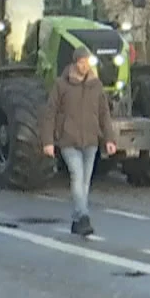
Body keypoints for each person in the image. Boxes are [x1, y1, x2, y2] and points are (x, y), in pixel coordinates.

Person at [39, 45, 118, 238]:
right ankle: (83, 217)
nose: (84, 66)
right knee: (77, 176)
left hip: (90, 140)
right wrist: (48, 141)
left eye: (87, 62)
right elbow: (49, 113)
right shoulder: (61, 85)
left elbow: (104, 114)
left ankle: (76, 220)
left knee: (85, 182)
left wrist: (109, 139)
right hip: (68, 139)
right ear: (75, 63)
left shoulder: (96, 85)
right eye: (81, 62)